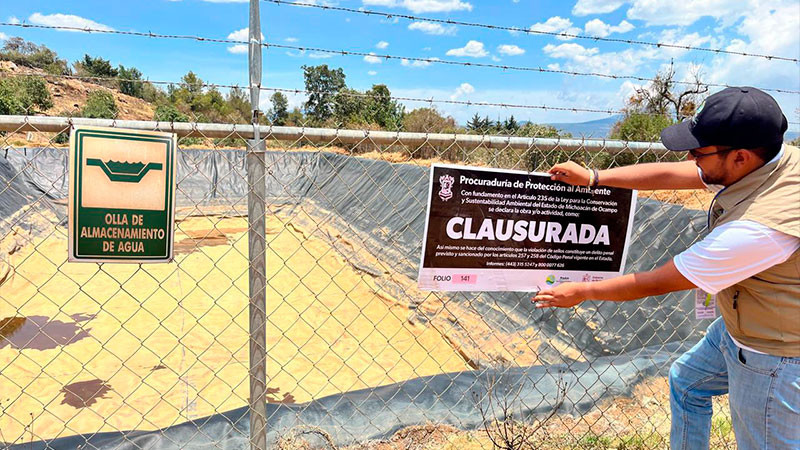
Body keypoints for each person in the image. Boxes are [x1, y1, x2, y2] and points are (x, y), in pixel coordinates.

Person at [532, 86, 799, 450]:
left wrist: (581, 291)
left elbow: (659, 281)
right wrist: (595, 178)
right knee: (687, 381)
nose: (691, 156)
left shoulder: (757, 230)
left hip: (772, 354)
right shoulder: (773, 161)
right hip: (741, 324)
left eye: (699, 151)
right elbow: (677, 174)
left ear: (740, 157)